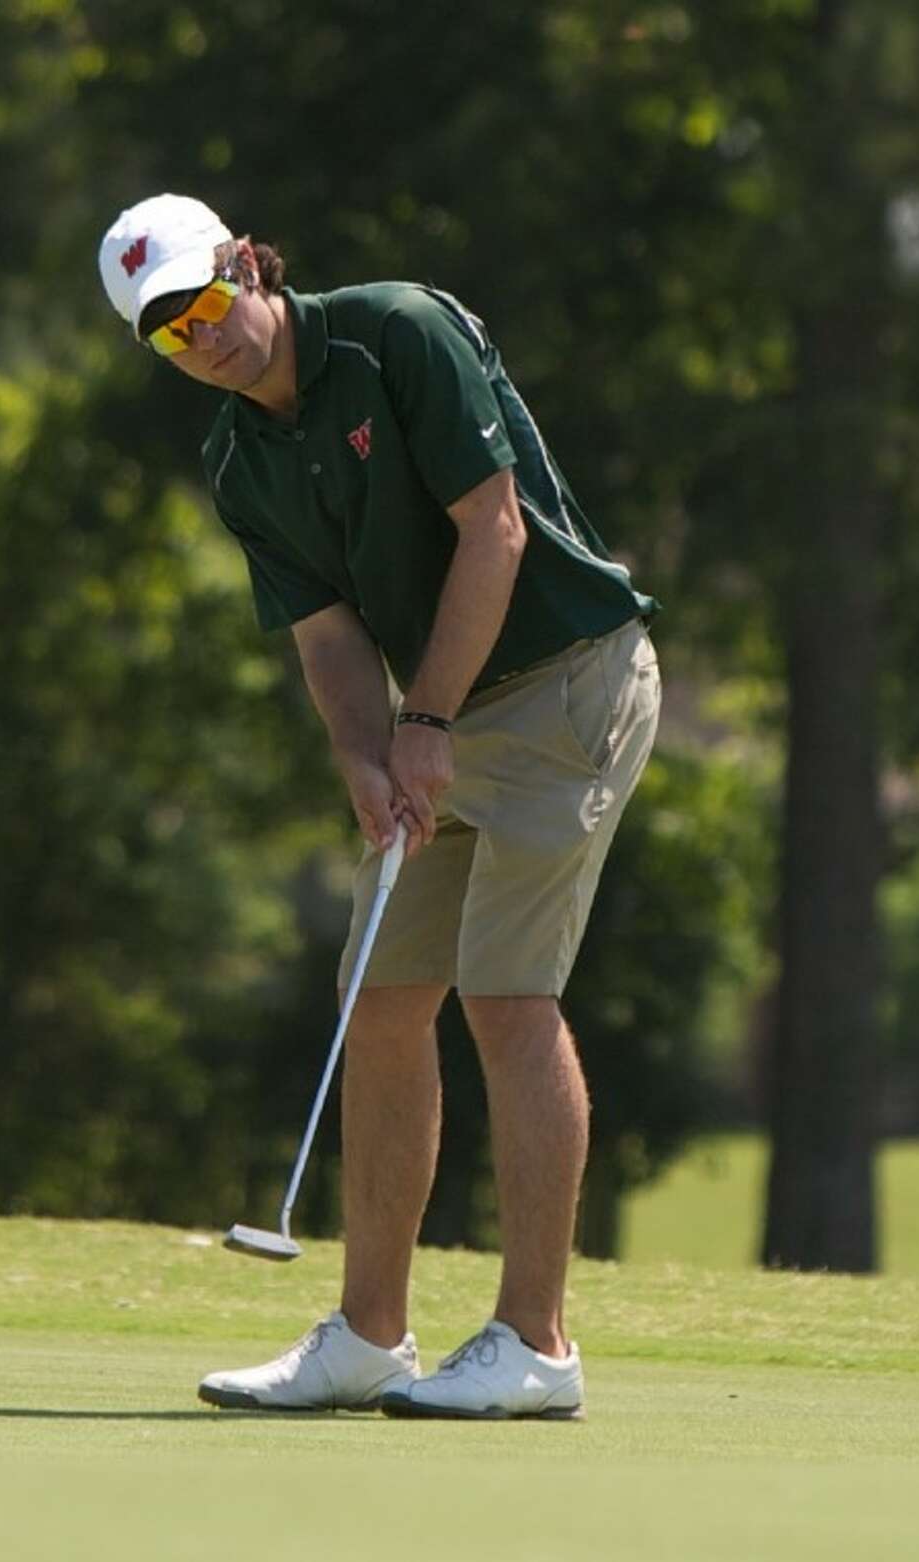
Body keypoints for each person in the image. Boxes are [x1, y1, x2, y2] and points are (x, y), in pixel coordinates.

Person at [98, 193, 660, 1421]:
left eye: (205, 299)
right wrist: (365, 751)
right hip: (441, 720)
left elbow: (495, 530)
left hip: (567, 681)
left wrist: (424, 721)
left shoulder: (395, 332)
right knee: (383, 1000)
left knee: (508, 1000)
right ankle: (369, 1332)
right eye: (167, 330)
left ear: (249, 263)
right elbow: (329, 635)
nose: (202, 335)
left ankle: (538, 1344)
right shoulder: (240, 463)